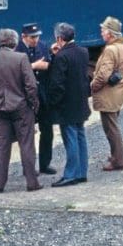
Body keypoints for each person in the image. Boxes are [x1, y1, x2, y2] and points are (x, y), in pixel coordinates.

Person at [0, 28, 42, 193]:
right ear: (14, 42)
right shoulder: (21, 58)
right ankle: (32, 182)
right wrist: (34, 105)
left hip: (0, 108)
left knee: (1, 145)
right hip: (21, 108)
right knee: (26, 144)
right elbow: (30, 85)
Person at [47, 22, 91, 187]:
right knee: (80, 136)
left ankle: (70, 174)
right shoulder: (83, 52)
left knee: (70, 138)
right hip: (80, 103)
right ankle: (81, 172)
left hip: (66, 106)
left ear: (59, 38)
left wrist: (53, 102)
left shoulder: (61, 57)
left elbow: (57, 84)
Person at [90, 16, 123, 171]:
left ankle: (119, 161)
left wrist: (93, 86)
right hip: (120, 92)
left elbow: (103, 75)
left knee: (111, 129)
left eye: (103, 30)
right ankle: (116, 155)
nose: (101, 33)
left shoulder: (110, 49)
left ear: (110, 34)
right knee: (113, 126)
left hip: (108, 94)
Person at [16, 23, 56, 175]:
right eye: (32, 37)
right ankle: (29, 167)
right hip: (26, 97)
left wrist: (48, 64)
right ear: (24, 37)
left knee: (47, 130)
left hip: (43, 96)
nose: (35, 40)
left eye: (37, 36)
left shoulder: (43, 46)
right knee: (27, 134)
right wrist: (34, 66)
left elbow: (48, 65)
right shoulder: (18, 50)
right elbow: (15, 71)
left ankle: (45, 163)